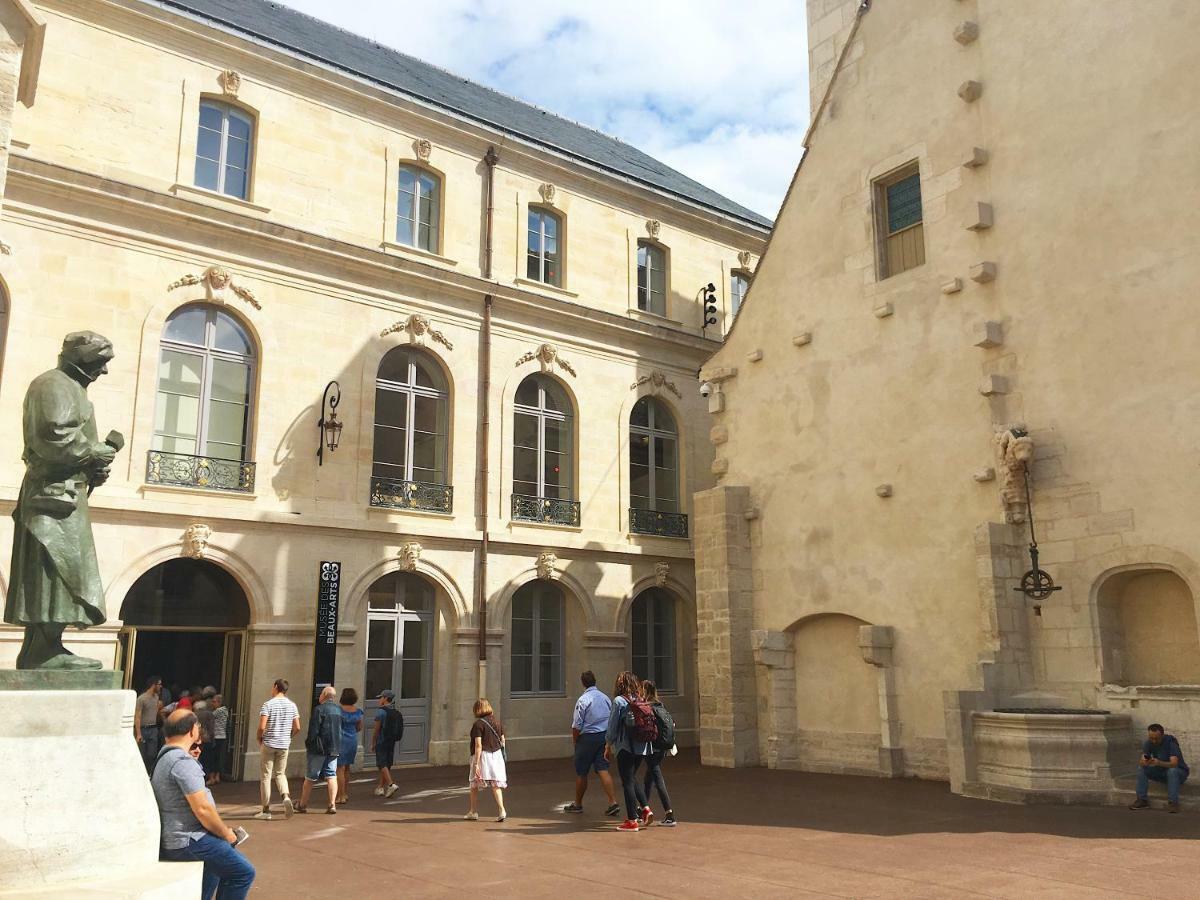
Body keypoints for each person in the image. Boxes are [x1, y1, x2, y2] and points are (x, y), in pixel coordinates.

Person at [4, 332, 123, 670]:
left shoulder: (73, 389)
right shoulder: (52, 384)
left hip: (65, 495)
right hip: (51, 499)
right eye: (100, 361)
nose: (104, 371)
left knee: (64, 570)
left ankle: (43, 647)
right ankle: (43, 650)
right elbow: (52, 437)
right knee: (54, 570)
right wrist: (93, 452)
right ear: (81, 356)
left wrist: (94, 469)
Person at [152, 709, 255, 899]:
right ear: (192, 731)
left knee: (213, 870)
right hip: (188, 839)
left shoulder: (165, 757)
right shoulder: (182, 761)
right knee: (243, 872)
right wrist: (227, 834)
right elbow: (203, 809)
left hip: (178, 837)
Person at [563, 670, 620, 816]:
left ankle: (578, 804)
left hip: (587, 738)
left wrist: (576, 741)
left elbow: (577, 725)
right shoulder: (605, 698)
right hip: (603, 736)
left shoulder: (583, 700)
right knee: (603, 769)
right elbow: (612, 717)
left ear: (583, 683)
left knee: (582, 772)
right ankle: (613, 802)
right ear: (595, 681)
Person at [605, 670, 651, 831]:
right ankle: (645, 808)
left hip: (625, 747)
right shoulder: (641, 699)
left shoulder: (619, 701)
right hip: (641, 746)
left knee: (627, 783)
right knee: (631, 778)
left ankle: (632, 820)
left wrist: (608, 744)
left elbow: (612, 727)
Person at [255, 677, 300, 820]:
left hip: (269, 743)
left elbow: (262, 726)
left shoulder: (268, 704)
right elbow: (297, 727)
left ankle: (266, 810)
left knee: (266, 776)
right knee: (280, 773)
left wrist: (259, 738)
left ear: (275, 687)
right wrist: (289, 736)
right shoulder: (292, 705)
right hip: (284, 744)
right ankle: (285, 796)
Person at [639, 680, 678, 827]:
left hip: (652, 747)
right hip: (663, 747)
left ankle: (669, 814)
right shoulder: (660, 706)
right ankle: (642, 809)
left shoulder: (648, 708)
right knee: (648, 779)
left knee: (657, 778)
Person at [298, 686, 342, 815]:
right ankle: (332, 804)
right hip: (334, 747)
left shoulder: (318, 710)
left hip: (319, 748)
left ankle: (303, 804)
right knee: (331, 775)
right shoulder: (338, 710)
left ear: (324, 695)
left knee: (311, 777)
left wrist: (309, 744)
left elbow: (314, 731)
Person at [1131, 723, 1190, 813]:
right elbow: (1142, 760)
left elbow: (1174, 764)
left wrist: (1159, 762)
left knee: (1172, 771)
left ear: (1162, 735)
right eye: (1151, 738)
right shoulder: (1148, 743)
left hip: (1179, 773)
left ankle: (1173, 803)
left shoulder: (1171, 743)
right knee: (1141, 769)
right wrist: (1145, 762)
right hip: (1161, 772)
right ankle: (1142, 800)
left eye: (1156, 739)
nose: (1154, 741)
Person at [465, 698, 507, 823]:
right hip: (497, 755)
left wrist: (476, 764)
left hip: (483, 756)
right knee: (495, 784)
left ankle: (473, 811)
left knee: (474, 784)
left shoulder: (478, 724)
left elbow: (478, 745)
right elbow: (503, 740)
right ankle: (502, 810)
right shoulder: (497, 722)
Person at [371, 689, 402, 799]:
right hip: (391, 740)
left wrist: (373, 742)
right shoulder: (395, 712)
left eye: (381, 698)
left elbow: (376, 730)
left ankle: (390, 784)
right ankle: (380, 787)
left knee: (381, 764)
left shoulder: (381, 712)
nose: (379, 700)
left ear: (385, 699)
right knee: (387, 764)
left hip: (382, 741)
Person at [336, 687, 363, 805]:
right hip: (352, 740)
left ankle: (340, 795)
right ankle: (345, 793)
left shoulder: (338, 710)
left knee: (339, 769)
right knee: (347, 768)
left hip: (341, 740)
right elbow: (359, 727)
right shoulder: (358, 711)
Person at [134, 675, 164, 773]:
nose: (161, 687)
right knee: (142, 754)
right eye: (159, 684)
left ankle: (149, 772)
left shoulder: (156, 697)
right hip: (143, 729)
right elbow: (137, 716)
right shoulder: (141, 699)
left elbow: (156, 712)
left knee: (152, 754)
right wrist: (138, 733)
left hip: (153, 729)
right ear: (153, 685)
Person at [194, 698, 217, 784]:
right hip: (208, 739)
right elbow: (211, 728)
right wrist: (212, 739)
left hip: (198, 739)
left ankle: (201, 777)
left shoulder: (195, 714)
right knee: (209, 759)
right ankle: (211, 777)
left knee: (200, 759)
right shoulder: (209, 714)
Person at [210, 694, 229, 785]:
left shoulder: (218, 711)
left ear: (219, 702)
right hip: (223, 736)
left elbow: (210, 717)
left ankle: (212, 777)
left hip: (217, 737)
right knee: (219, 757)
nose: (212, 703)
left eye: (214, 701)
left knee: (213, 757)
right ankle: (217, 776)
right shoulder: (225, 710)